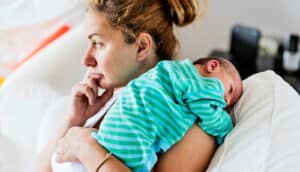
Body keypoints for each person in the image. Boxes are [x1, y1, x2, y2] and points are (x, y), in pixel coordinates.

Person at [34, 0, 241, 171]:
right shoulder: (113, 99)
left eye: (98, 43)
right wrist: (74, 120)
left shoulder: (192, 125)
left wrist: (86, 147)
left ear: (142, 47)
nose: (86, 60)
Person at [88, 57, 242, 171]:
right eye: (230, 89)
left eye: (230, 102)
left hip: (111, 130)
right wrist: (226, 126)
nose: (226, 101)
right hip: (134, 142)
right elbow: (207, 112)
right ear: (213, 66)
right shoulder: (205, 86)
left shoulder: (170, 69)